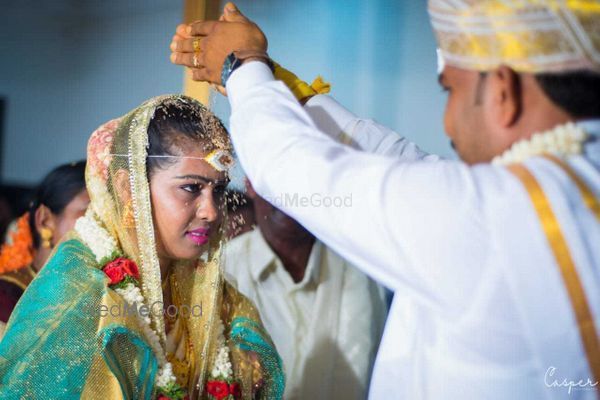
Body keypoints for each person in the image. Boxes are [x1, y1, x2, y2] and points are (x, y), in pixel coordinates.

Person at [170, 1, 600, 398]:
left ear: (503, 94)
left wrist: (243, 65)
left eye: (449, 91)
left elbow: (295, 169)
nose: (448, 124)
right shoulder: (572, 187)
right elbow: (409, 164)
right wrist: (281, 86)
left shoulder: (499, 215)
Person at [0, 95, 284, 400]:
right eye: (191, 188)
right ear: (128, 188)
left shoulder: (214, 294)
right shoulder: (79, 295)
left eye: (218, 190)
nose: (211, 211)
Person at [224, 180, 388, 399]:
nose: (287, 193)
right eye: (276, 173)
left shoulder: (362, 269)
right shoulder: (223, 271)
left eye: (298, 174)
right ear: (251, 184)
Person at [0, 160, 88, 324]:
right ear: (45, 220)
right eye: (89, 212)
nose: (101, 226)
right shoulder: (6, 297)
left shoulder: (103, 293)